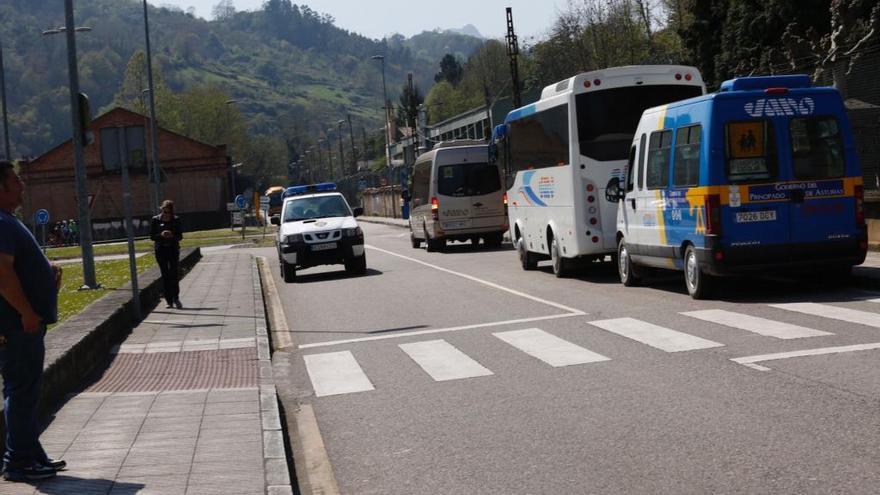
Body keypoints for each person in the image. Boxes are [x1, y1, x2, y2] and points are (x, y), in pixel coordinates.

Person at [0, 160, 66, 482]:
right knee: (22, 390)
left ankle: (30, 453)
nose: (21, 185)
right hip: (16, 325)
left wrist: (45, 273)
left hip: (20, 325)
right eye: (14, 180)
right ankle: (18, 462)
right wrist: (26, 311)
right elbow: (2, 274)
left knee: (25, 390)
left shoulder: (7, 221)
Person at [150, 199, 183, 309]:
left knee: (174, 274)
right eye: (164, 211)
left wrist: (172, 235)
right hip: (161, 250)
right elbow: (152, 236)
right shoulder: (155, 220)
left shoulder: (176, 220)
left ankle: (176, 298)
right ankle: (168, 300)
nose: (166, 214)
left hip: (173, 249)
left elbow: (180, 236)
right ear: (162, 209)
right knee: (165, 275)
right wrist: (161, 235)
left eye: (169, 212)